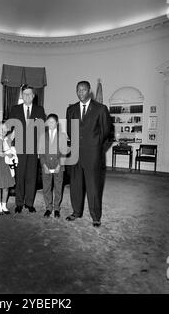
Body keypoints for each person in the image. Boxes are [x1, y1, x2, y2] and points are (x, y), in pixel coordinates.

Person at [66, 81, 111, 227]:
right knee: (76, 185)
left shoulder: (100, 109)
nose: (80, 92)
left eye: (83, 90)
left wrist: (97, 147)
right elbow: (69, 130)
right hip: (75, 154)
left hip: (93, 154)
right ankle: (76, 212)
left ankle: (96, 216)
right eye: (78, 90)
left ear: (89, 91)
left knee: (93, 186)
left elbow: (106, 132)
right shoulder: (71, 109)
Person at [9, 84, 46, 213]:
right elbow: (11, 129)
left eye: (30, 94)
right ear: (21, 96)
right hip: (19, 148)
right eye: (25, 94)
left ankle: (29, 203)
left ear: (34, 96)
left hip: (33, 149)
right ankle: (19, 203)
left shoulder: (39, 110)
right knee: (20, 176)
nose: (27, 96)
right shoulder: (15, 109)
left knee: (32, 176)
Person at [38, 113, 69, 218]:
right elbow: (41, 152)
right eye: (48, 122)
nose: (50, 124)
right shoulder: (43, 135)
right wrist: (43, 165)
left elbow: (64, 152)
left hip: (58, 166)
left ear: (56, 123)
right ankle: (48, 208)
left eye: (52, 122)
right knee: (46, 187)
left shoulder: (62, 136)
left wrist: (59, 165)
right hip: (46, 165)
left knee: (58, 187)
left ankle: (56, 208)